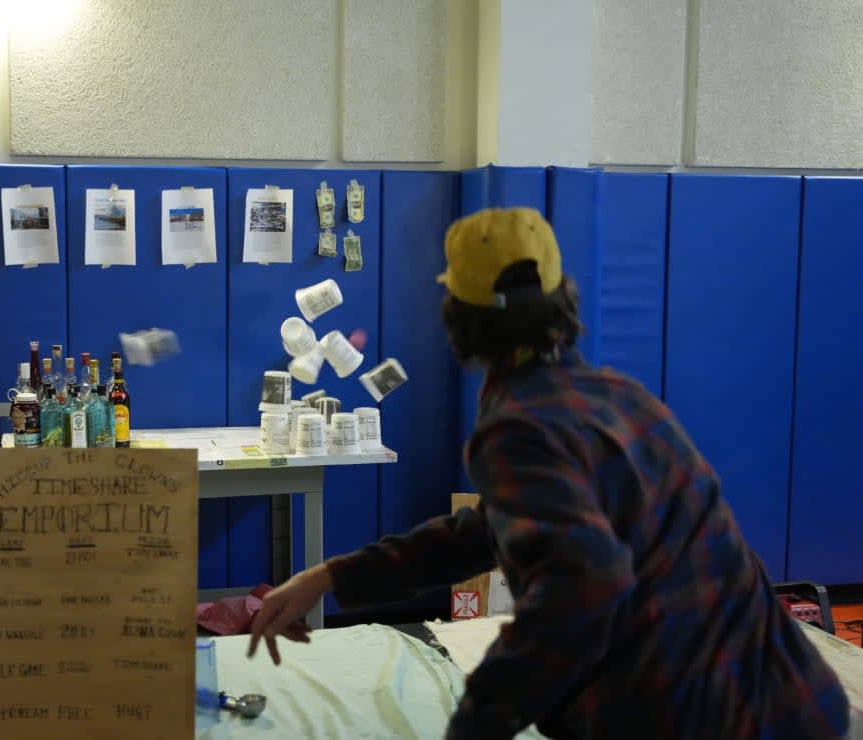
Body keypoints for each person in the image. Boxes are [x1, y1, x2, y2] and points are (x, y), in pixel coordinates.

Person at [249, 207, 849, 739]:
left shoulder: (517, 428)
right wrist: (331, 576)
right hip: (789, 696)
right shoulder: (617, 397)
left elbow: (584, 588)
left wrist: (477, 724)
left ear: (458, 315)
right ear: (564, 297)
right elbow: (494, 532)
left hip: (701, 712)